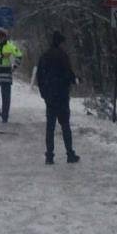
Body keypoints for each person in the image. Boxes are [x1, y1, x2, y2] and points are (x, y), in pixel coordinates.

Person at [37, 31, 80, 165]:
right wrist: (75, 80)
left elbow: (40, 77)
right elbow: (68, 74)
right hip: (61, 96)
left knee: (50, 127)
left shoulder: (44, 56)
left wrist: (44, 93)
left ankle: (49, 156)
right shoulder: (63, 56)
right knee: (65, 125)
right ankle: (70, 154)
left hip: (50, 97)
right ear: (60, 42)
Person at [0, 28, 23, 123]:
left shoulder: (11, 46)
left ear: (5, 37)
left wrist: (15, 66)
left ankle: (5, 116)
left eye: (2, 36)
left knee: (6, 97)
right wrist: (3, 55)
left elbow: (19, 55)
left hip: (6, 76)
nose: (0, 38)